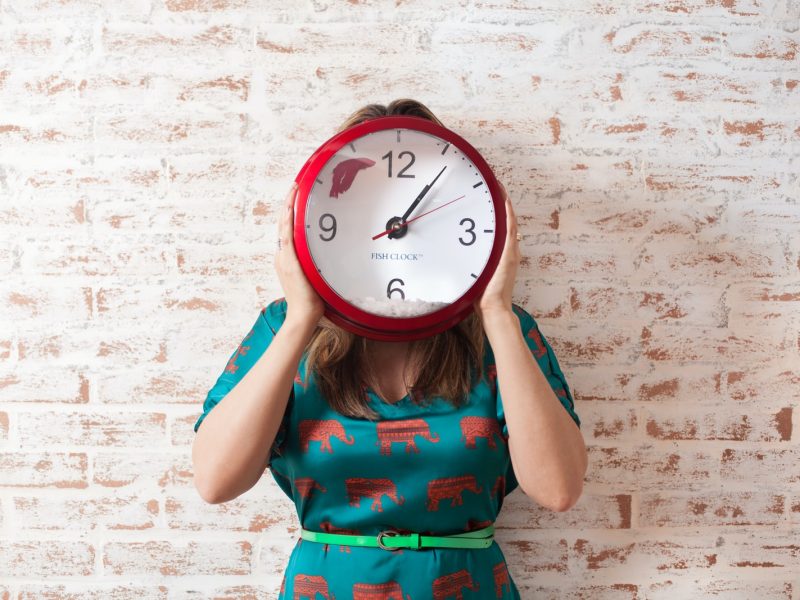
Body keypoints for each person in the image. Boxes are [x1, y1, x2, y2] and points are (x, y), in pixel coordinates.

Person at [191, 99, 588, 599]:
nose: (395, 228)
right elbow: (214, 481)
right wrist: (300, 317)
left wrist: (497, 310)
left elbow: (558, 489)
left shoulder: (502, 331)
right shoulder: (282, 328)